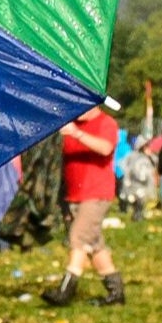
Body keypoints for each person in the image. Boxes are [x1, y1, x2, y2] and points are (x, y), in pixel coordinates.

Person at [42, 100, 123, 305]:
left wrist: (77, 133)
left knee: (78, 238)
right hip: (74, 195)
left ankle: (66, 290)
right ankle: (116, 291)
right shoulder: (70, 125)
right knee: (94, 244)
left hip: (95, 193)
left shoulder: (106, 123)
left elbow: (105, 148)